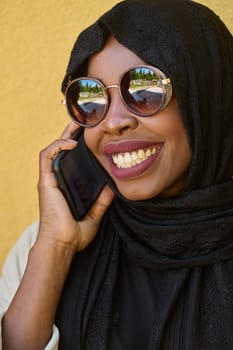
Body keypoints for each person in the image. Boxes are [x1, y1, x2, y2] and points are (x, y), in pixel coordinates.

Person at [1, 0, 233, 349]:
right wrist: (55, 248)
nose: (112, 122)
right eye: (91, 97)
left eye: (145, 90)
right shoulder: (45, 245)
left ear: (206, 96)